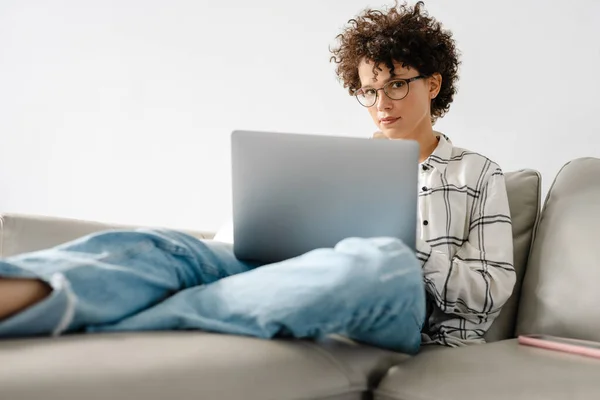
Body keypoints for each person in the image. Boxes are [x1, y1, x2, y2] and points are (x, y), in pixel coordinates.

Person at [0, 1, 515, 353]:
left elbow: (493, 289)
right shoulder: (336, 166)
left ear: (434, 83)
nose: (381, 104)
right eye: (369, 90)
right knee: (180, 249)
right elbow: (261, 241)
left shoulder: (478, 172)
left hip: (406, 313)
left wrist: (408, 251)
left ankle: (123, 320)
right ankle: (21, 289)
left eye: (397, 85)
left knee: (377, 260)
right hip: (307, 280)